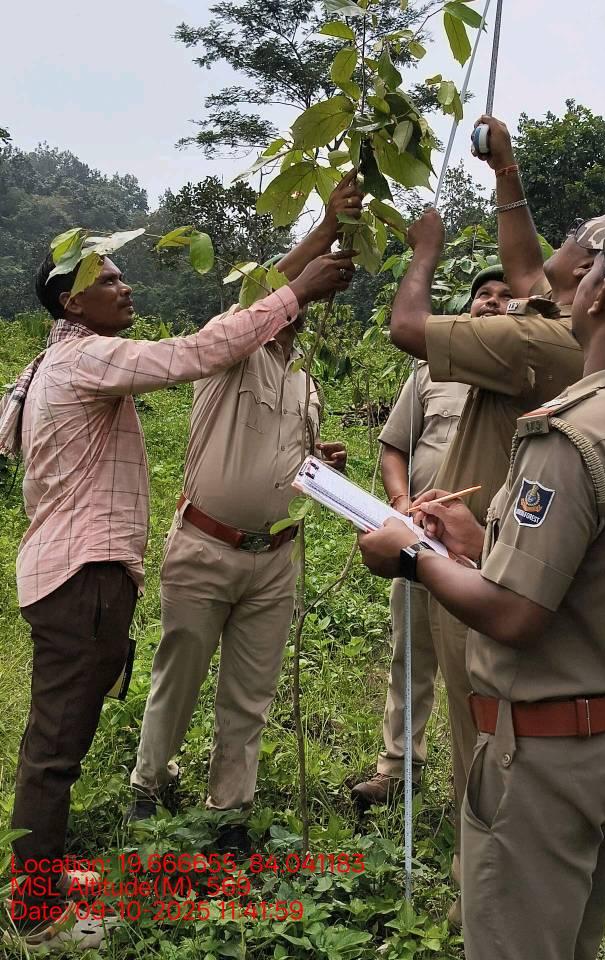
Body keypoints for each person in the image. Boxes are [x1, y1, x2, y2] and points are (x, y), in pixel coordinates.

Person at [358, 211, 605, 960]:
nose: (570, 279)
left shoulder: (570, 435)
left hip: (543, 760)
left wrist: (414, 557)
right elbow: (589, 571)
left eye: (589, 268)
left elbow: (516, 615)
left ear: (600, 295)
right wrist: (481, 543)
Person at [2, 224, 355, 951]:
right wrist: (296, 289)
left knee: (60, 736)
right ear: (71, 302)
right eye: (107, 280)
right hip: (81, 574)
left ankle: (47, 874)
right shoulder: (86, 357)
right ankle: (36, 914)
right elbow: (199, 351)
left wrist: (320, 236)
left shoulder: (56, 362)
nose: (125, 286)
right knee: (54, 750)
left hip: (80, 574)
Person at [124, 175, 364, 849]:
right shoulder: (230, 351)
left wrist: (319, 465)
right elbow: (257, 297)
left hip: (274, 558)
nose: (297, 308)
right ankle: (149, 782)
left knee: (250, 691)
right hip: (206, 547)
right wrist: (324, 230)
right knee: (180, 673)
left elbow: (287, 459)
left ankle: (230, 807)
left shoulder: (305, 381)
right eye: (290, 299)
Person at [388, 166, 600, 904]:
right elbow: (528, 267)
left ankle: (481, 886)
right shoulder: (566, 328)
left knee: (480, 732)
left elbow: (405, 327)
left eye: (575, 242)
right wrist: (505, 169)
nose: (552, 249)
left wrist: (425, 252)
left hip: (483, 562)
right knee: (477, 723)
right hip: (481, 549)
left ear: (594, 282)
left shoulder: (539, 342)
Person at [351, 267, 511, 808]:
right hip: (419, 538)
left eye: (504, 296)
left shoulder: (526, 378)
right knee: (411, 655)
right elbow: (395, 446)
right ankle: (398, 768)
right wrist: (401, 505)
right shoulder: (430, 373)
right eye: (482, 295)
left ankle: (479, 783)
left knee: (479, 666)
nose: (491, 302)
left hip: (486, 549)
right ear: (467, 308)